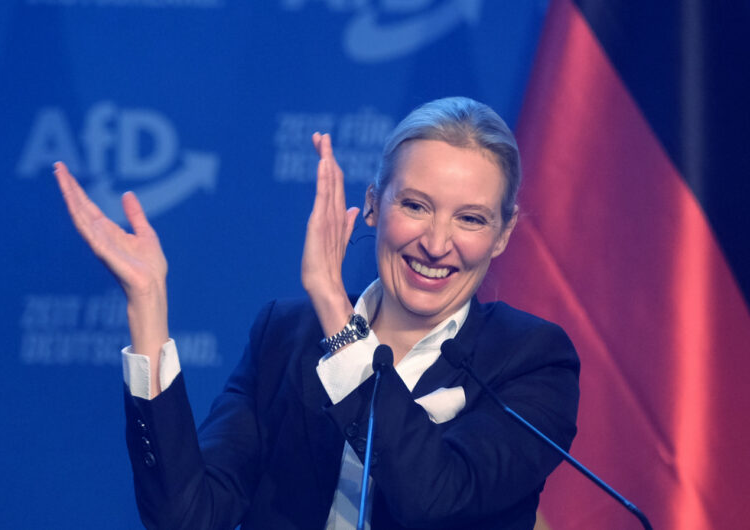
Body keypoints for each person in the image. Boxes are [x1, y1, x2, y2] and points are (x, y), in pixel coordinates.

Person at [55, 97, 580, 529]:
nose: (437, 243)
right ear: (374, 204)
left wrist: (335, 307)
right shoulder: (283, 337)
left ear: (503, 234)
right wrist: (148, 305)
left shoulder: (533, 361)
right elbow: (187, 518)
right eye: (415, 206)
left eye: (469, 218)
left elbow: (433, 498)